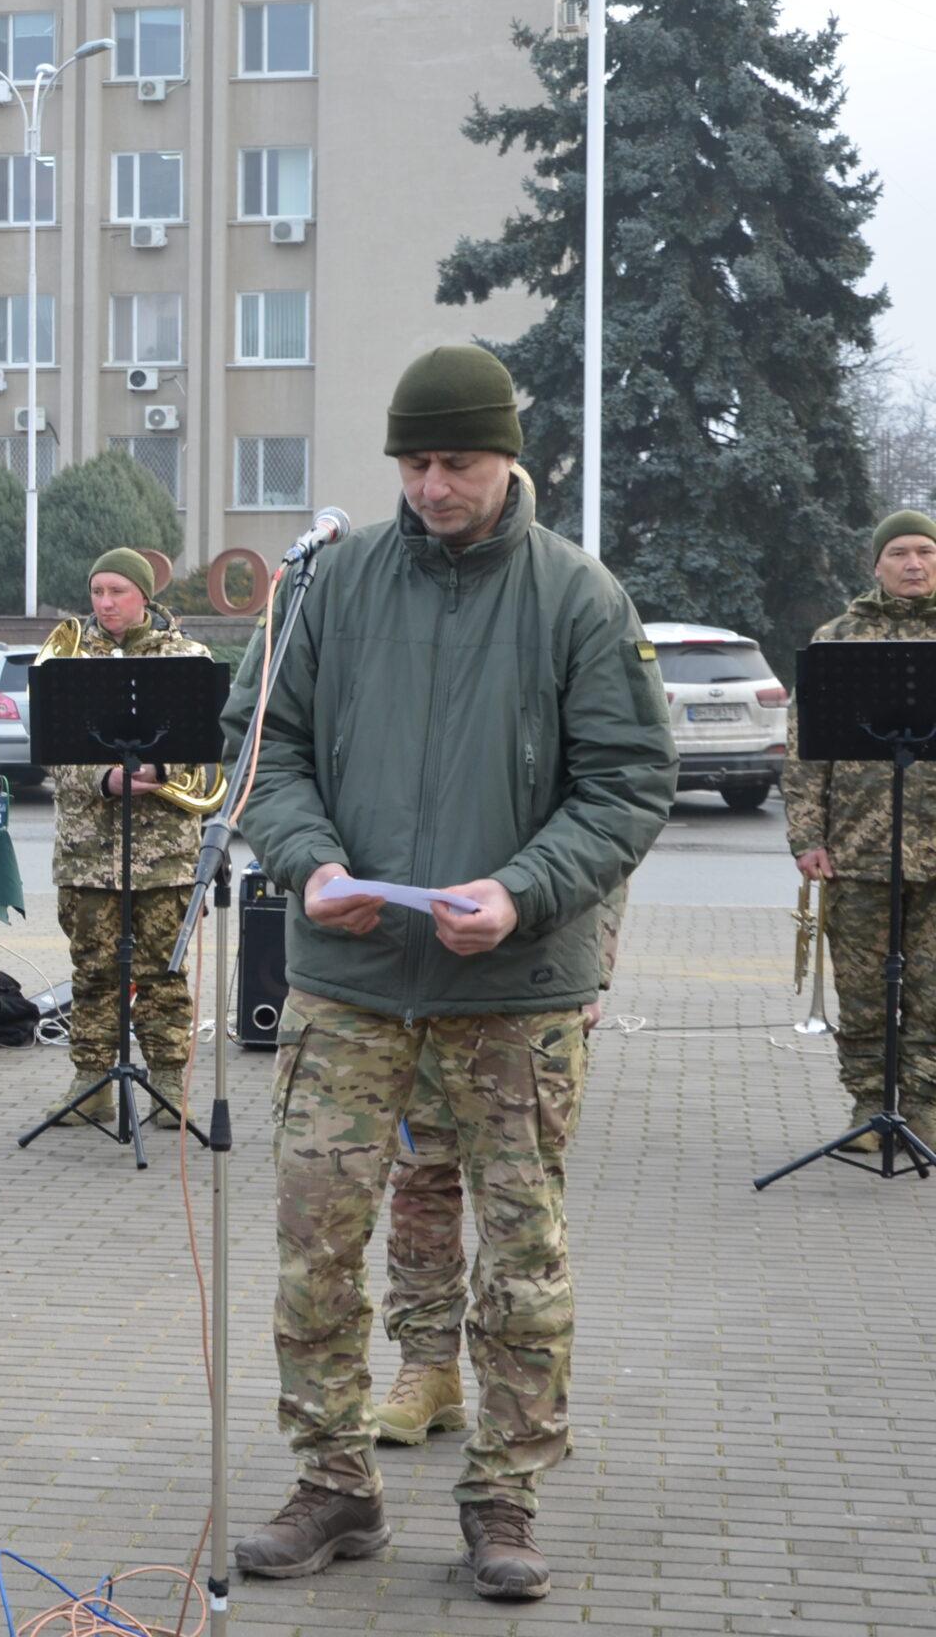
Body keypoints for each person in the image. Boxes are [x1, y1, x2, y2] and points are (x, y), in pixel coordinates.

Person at [224, 344, 674, 1601]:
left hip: (513, 988)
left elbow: (629, 780)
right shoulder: (334, 585)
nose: (430, 487)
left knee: (520, 1252)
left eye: (456, 463)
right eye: (413, 464)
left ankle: (503, 1496)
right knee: (316, 1236)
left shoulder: (578, 597)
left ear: (509, 456)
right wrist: (308, 862)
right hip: (349, 978)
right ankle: (332, 1483)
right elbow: (264, 746)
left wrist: (523, 890)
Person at [371, 885, 624, 1448]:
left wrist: (591, 969)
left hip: (529, 991)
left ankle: (523, 1400)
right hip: (415, 992)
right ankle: (429, 1369)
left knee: (520, 1202)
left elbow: (601, 842)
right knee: (419, 1184)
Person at [40, 548, 214, 1131]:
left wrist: (160, 771)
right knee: (91, 970)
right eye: (97, 592)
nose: (106, 603)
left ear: (145, 595)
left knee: (164, 970)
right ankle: (91, 1082)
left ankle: (167, 1078)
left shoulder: (186, 657)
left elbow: (206, 746)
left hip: (165, 854)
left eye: (117, 591)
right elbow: (54, 751)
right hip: (89, 852)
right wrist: (103, 779)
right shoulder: (68, 657)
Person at [784, 509, 936, 1150]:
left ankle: (924, 1113)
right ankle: (871, 1110)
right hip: (857, 853)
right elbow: (802, 752)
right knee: (866, 994)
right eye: (899, 553)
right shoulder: (838, 640)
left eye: (926, 552)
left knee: (932, 996)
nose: (914, 564)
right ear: (876, 564)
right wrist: (806, 837)